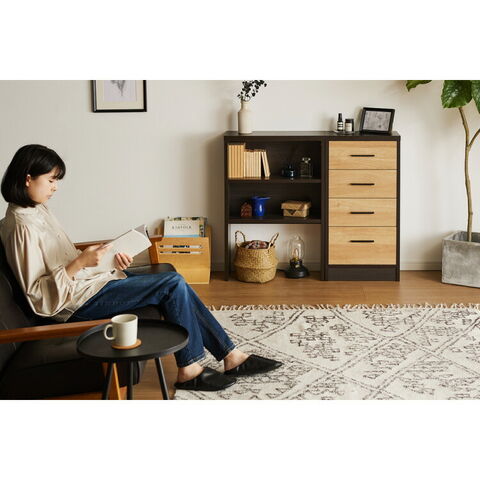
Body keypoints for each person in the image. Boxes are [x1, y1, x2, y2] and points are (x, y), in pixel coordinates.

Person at [0, 144, 282, 392]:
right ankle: (191, 369)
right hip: (74, 304)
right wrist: (80, 262)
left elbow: (62, 260)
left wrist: (106, 260)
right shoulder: (21, 227)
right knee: (171, 285)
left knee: (171, 278)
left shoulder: (37, 210)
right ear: (28, 178)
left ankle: (231, 356)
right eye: (51, 180)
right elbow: (39, 295)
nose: (55, 187)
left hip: (88, 285)